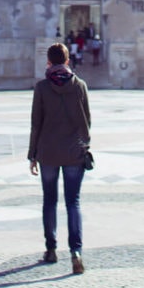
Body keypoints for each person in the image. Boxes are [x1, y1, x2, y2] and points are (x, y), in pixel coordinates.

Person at [28, 42, 91, 275]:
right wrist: (85, 144)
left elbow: (36, 123)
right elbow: (87, 120)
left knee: (49, 201)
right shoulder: (80, 85)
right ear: (67, 60)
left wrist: (32, 154)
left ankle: (51, 249)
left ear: (48, 62)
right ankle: (76, 252)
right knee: (73, 202)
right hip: (74, 151)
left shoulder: (42, 87)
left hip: (47, 152)